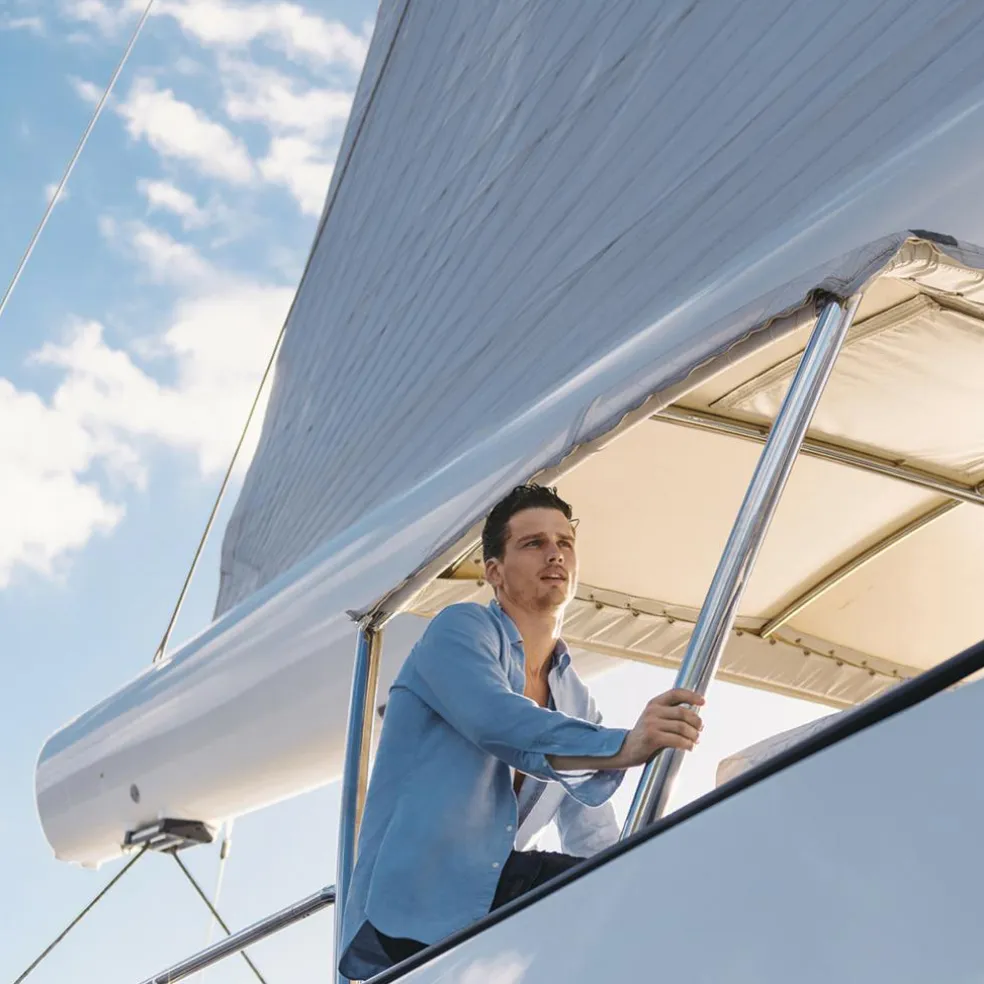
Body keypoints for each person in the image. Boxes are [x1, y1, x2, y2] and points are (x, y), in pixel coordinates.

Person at [338, 484, 704, 978]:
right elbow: (496, 720)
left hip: (489, 908)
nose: (555, 554)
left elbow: (590, 830)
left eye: (564, 543)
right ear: (494, 571)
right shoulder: (459, 630)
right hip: (413, 903)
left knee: (632, 905)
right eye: (533, 543)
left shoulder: (575, 699)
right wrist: (624, 746)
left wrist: (628, 891)